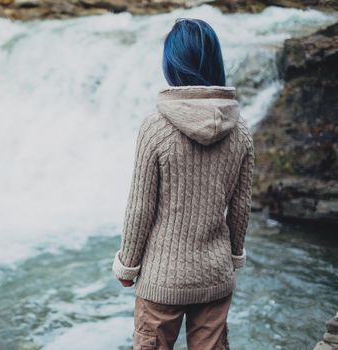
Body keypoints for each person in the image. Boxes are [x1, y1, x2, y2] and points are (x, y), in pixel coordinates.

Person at [112, 18, 254, 350]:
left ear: (172, 64)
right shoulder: (241, 131)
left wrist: (128, 264)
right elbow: (241, 207)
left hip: (163, 279)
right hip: (215, 277)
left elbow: (141, 205)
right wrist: (233, 255)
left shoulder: (156, 127)